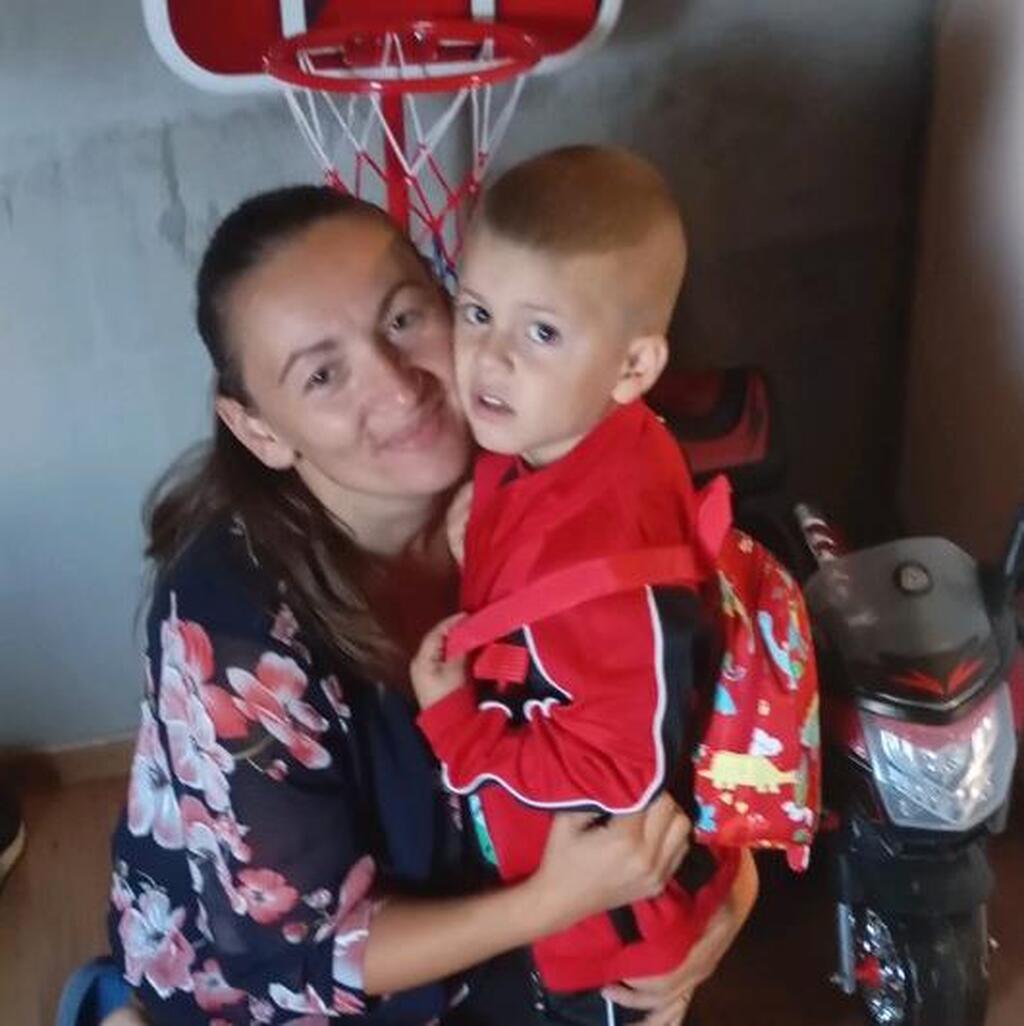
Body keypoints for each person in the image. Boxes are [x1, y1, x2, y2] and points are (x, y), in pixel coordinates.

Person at [105, 185, 758, 1026]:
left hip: (506, 895)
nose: (398, 385)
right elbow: (290, 956)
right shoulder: (230, 626)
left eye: (405, 319)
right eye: (323, 374)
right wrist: (557, 901)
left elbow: (695, 702)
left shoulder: (553, 462)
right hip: (300, 977)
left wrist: (726, 897)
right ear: (261, 430)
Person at [410, 147, 751, 1025]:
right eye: (476, 312)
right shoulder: (579, 439)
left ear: (633, 368)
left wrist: (461, 731)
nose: (489, 358)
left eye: (542, 334)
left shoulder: (604, 570)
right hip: (556, 896)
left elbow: (621, 768)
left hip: (602, 942)